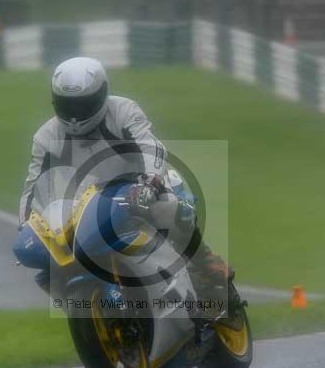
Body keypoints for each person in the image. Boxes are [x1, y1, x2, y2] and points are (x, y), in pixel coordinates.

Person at [18, 56, 231, 306]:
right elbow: (33, 187)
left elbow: (151, 146)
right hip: (90, 203)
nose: (75, 116)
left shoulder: (123, 110)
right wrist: (26, 226)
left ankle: (206, 263)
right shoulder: (46, 137)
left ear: (102, 94)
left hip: (142, 186)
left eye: (83, 104)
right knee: (49, 268)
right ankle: (85, 311)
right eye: (68, 105)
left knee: (169, 209)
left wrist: (151, 183)